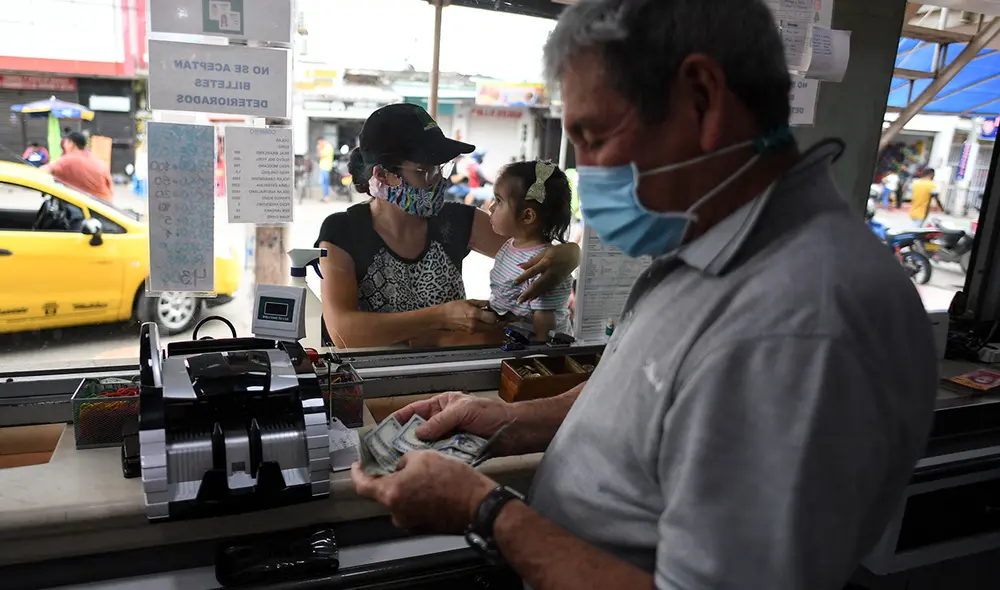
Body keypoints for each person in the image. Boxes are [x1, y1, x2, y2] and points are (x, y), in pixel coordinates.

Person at [350, 2, 938, 590]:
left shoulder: (798, 324)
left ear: (702, 100)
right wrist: (509, 421)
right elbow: (644, 400)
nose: (586, 174)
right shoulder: (707, 249)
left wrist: (486, 512)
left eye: (595, 136)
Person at [315, 103, 580, 349]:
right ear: (383, 175)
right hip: (372, 376)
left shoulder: (456, 220)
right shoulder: (343, 232)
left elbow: (535, 252)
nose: (440, 181)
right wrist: (440, 317)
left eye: (441, 168)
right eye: (426, 171)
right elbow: (342, 332)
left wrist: (571, 254)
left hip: (449, 370)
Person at [487, 160, 574, 338]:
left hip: (530, 347)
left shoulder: (540, 265)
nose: (490, 207)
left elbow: (545, 324)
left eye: (499, 201)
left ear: (527, 216)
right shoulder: (511, 245)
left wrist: (539, 350)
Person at [42, 132, 113, 202]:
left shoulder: (69, 159)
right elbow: (109, 185)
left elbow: (44, 170)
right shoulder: (97, 160)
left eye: (65, 143)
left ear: (71, 143)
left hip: (88, 204)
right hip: (105, 202)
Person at [317, 138, 335, 202]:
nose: (319, 144)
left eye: (319, 143)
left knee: (325, 182)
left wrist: (319, 148)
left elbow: (321, 155)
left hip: (326, 167)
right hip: (323, 167)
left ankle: (326, 197)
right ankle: (325, 196)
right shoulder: (325, 147)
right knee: (324, 183)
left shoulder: (328, 147)